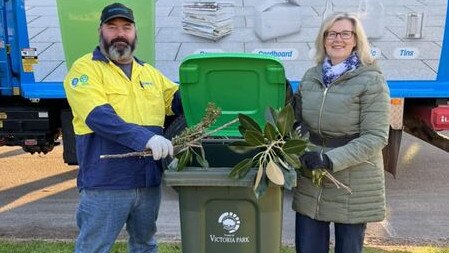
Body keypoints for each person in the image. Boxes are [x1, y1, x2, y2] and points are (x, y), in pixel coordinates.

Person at [63, 3, 182, 253]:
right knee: (93, 248)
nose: (120, 33)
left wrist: (206, 87)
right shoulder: (85, 70)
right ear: (100, 31)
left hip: (148, 181)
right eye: (112, 27)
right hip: (107, 182)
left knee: (145, 245)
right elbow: (98, 116)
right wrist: (146, 138)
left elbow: (178, 101)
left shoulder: (148, 72)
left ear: (135, 33)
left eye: (126, 27)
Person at [291, 12, 390, 253]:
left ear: (356, 40)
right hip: (312, 175)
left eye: (346, 34)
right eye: (332, 33)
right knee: (308, 247)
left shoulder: (370, 80)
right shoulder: (311, 76)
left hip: (352, 180)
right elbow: (298, 118)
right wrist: (295, 123)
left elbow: (376, 136)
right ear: (323, 40)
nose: (338, 39)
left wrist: (329, 159)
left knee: (348, 247)